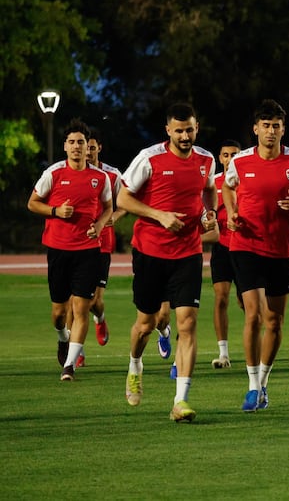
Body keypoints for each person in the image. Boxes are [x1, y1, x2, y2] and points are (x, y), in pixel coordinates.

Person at [116, 103, 217, 422]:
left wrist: (209, 212)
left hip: (188, 252)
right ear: (168, 131)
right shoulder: (149, 158)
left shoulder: (206, 160)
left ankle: (180, 401)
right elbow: (123, 198)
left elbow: (209, 190)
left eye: (190, 130)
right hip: (150, 252)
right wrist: (159, 215)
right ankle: (135, 366)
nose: (185, 136)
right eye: (179, 131)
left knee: (187, 323)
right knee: (145, 324)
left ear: (196, 127)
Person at [223, 99, 289, 412]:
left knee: (275, 321)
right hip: (246, 245)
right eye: (266, 125)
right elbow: (227, 187)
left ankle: (263, 381)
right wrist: (233, 212)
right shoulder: (241, 161)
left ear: (283, 129)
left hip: (282, 249)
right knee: (254, 314)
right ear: (255, 129)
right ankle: (251, 385)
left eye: (276, 126)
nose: (271, 131)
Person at [27, 119, 113, 382]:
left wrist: (99, 226)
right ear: (65, 146)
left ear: (89, 147)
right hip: (58, 250)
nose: (77, 147)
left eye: (82, 142)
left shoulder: (100, 178)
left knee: (81, 308)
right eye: (72, 142)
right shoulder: (53, 174)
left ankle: (69, 366)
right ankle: (62, 338)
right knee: (58, 314)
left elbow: (108, 207)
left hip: (88, 251)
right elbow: (32, 203)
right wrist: (56, 211)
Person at [82, 130, 122, 352]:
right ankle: (75, 352)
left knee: (94, 302)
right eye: (85, 147)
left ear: (99, 148)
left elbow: (125, 202)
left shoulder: (112, 175)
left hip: (102, 242)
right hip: (76, 242)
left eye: (92, 147)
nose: (88, 152)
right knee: (74, 301)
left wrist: (113, 217)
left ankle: (100, 318)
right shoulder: (70, 171)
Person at [208, 139, 242, 369]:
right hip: (221, 247)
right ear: (220, 158)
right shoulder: (213, 184)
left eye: (234, 155)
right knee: (221, 297)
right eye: (226, 155)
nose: (230, 159)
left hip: (246, 248)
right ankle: (223, 354)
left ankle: (256, 348)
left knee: (248, 303)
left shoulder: (249, 181)